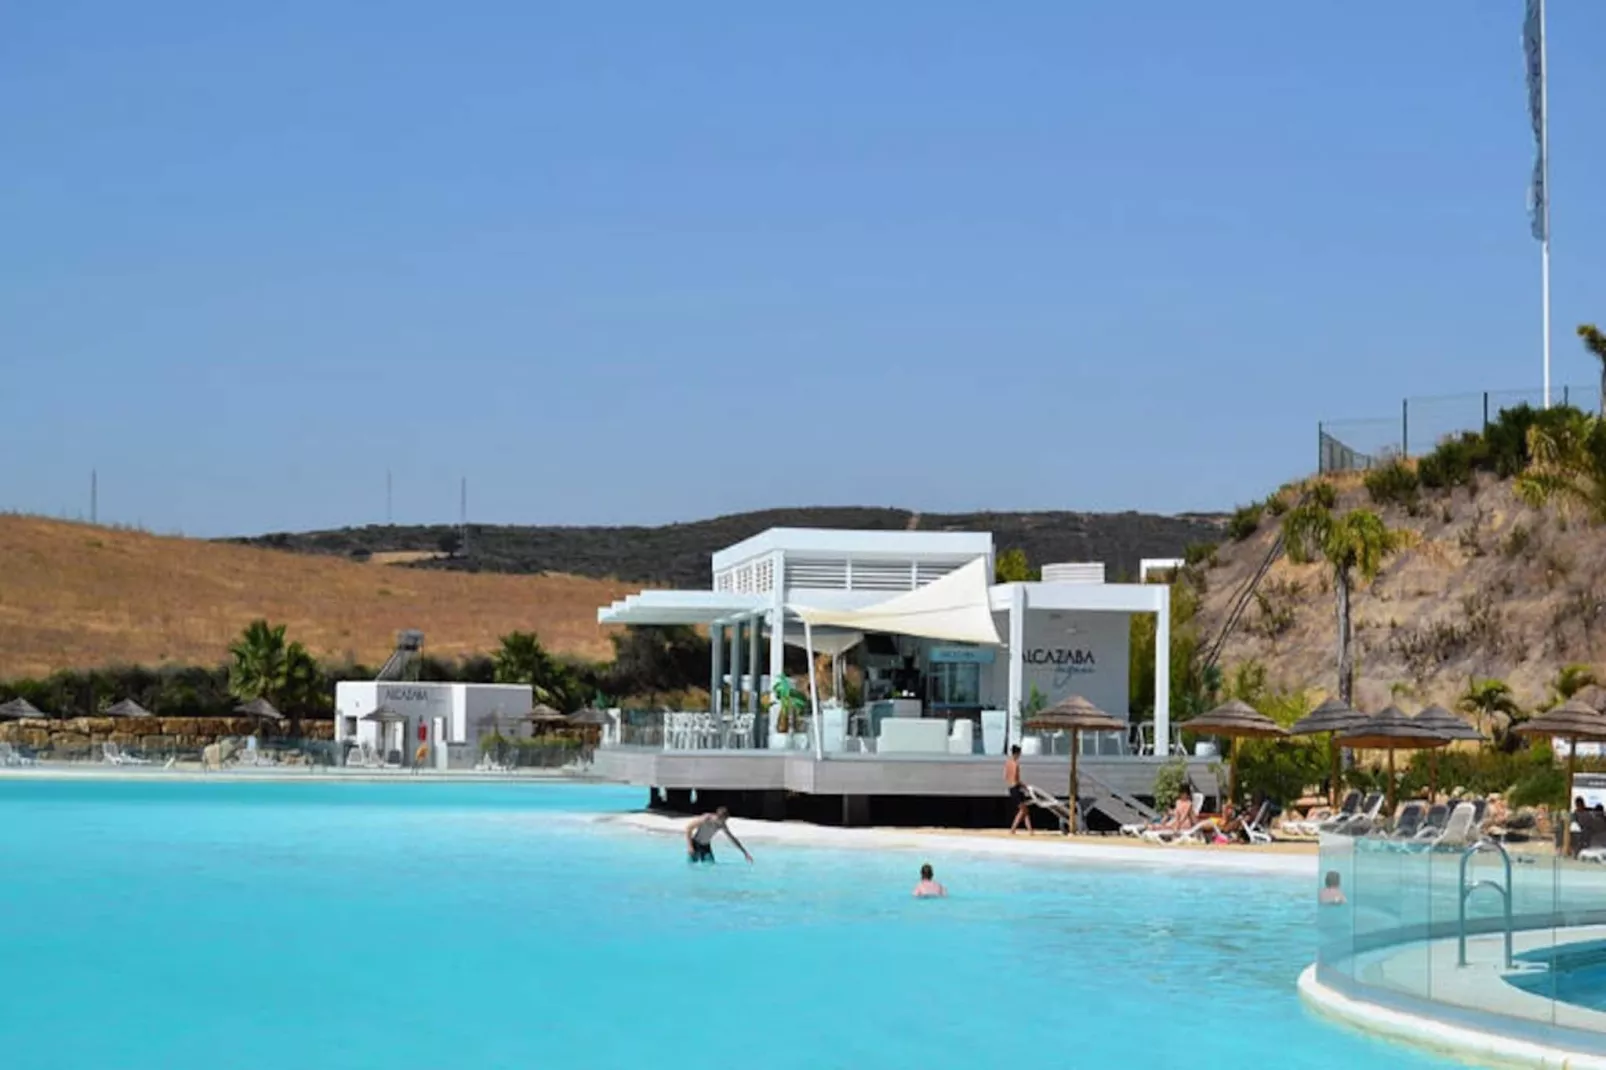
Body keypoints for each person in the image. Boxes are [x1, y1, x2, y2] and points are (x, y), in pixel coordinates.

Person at [685, 806, 753, 864]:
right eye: (723, 820)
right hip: (695, 844)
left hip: (706, 846)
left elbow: (732, 838)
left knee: (710, 866)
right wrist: (690, 846)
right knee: (692, 866)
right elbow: (689, 828)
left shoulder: (722, 825)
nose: (724, 822)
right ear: (719, 816)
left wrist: (745, 853)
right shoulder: (706, 818)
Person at [1005, 745, 1032, 834]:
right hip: (1016, 788)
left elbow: (1006, 776)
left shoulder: (1008, 763)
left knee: (1025, 809)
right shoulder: (1015, 764)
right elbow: (1016, 779)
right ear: (1016, 753)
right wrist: (1024, 786)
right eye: (1019, 754)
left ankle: (1030, 830)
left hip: (1011, 787)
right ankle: (1013, 829)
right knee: (1023, 810)